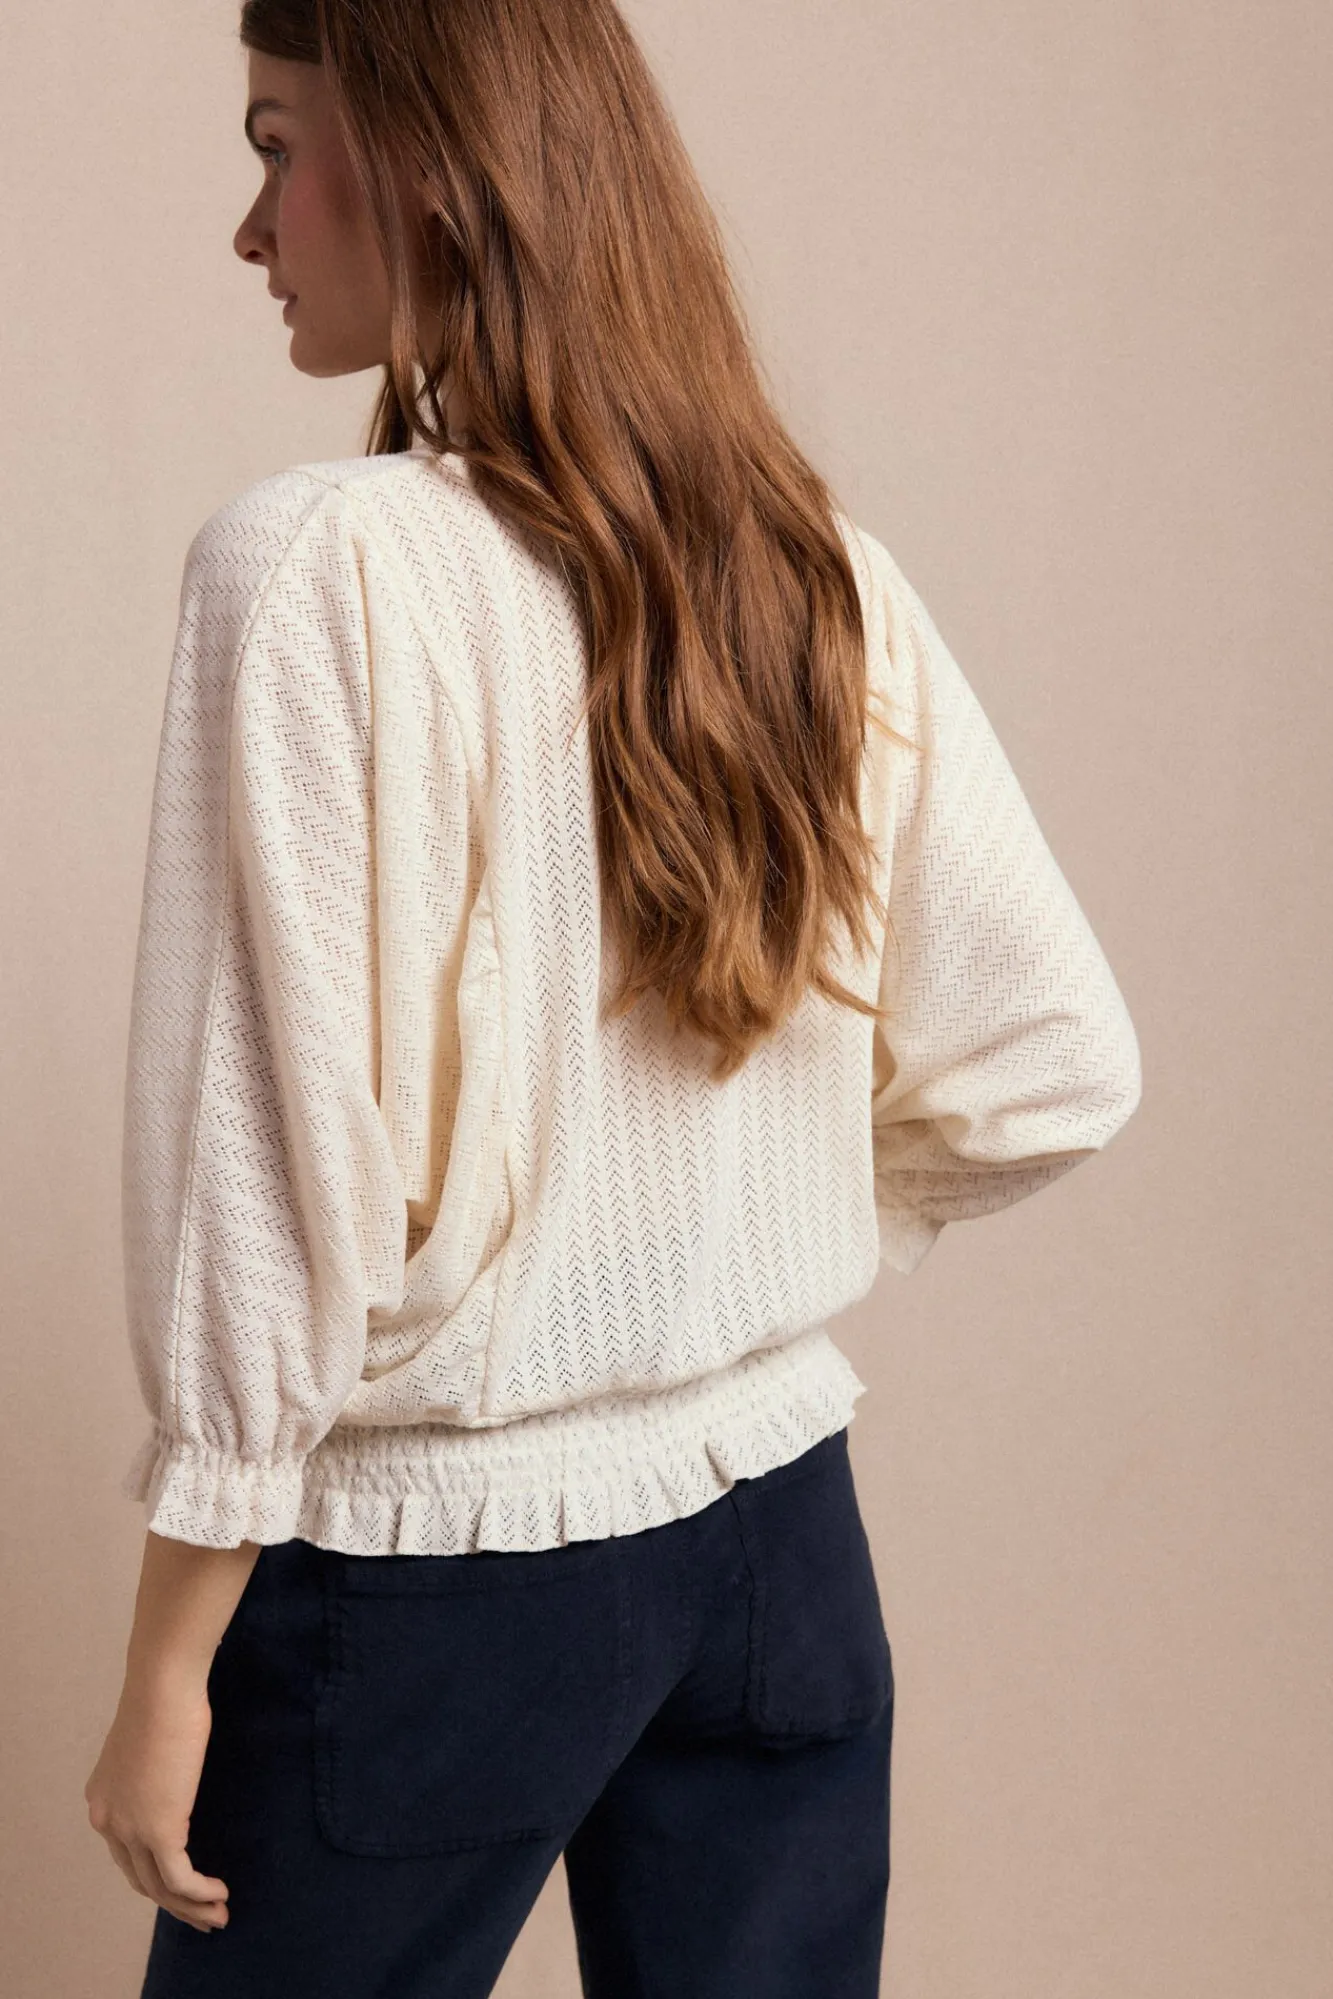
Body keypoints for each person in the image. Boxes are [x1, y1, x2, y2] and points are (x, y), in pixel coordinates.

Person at [82, 2, 1143, 1993]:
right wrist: (731, 1251)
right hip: (783, 1551)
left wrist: (164, 1670)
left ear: (424, 169)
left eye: (276, 145)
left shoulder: (316, 567)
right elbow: (1053, 1061)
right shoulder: (807, 563)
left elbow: (265, 1184)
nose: (252, 224)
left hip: (434, 1593)